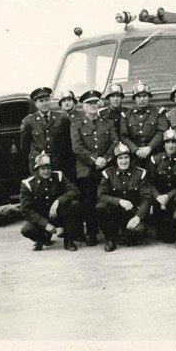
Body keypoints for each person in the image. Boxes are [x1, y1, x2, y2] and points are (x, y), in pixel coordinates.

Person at [70, 89, 119, 246]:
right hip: (87, 170)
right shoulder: (76, 125)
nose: (93, 106)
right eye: (89, 103)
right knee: (88, 203)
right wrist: (94, 160)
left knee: (106, 202)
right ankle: (91, 233)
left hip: (106, 168)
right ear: (83, 106)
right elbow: (77, 148)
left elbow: (115, 143)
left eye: (95, 103)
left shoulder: (108, 123)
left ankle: (110, 234)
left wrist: (105, 159)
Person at [95, 143, 153, 252]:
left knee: (140, 231)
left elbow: (146, 199)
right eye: (120, 158)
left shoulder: (140, 173)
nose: (124, 161)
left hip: (132, 213)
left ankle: (127, 235)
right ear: (116, 160)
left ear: (130, 159)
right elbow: (101, 196)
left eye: (126, 157)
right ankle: (110, 239)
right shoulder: (108, 174)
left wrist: (138, 217)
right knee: (100, 207)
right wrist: (119, 201)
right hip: (114, 214)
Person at [19, 153, 81, 252]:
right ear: (37, 169)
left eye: (48, 168)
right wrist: (45, 224)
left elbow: (74, 191)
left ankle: (68, 239)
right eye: (43, 169)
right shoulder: (28, 184)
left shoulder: (59, 176)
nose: (46, 171)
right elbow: (26, 210)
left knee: (74, 205)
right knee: (26, 230)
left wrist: (58, 201)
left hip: (58, 214)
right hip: (41, 218)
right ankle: (42, 239)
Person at [147, 128, 176, 243]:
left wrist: (168, 195)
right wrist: (158, 196)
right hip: (159, 198)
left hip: (175, 196)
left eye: (173, 142)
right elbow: (150, 182)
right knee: (164, 237)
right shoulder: (155, 159)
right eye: (167, 142)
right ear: (163, 144)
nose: (170, 145)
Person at [21, 87, 71, 174]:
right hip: (39, 165)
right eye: (41, 101)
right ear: (36, 103)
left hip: (58, 163)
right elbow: (25, 147)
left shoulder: (62, 118)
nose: (44, 103)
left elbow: (68, 143)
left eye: (46, 100)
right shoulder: (28, 121)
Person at [121, 81, 168, 166]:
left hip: (154, 154)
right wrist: (135, 149)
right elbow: (123, 136)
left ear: (149, 97)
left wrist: (149, 147)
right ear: (134, 99)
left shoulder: (158, 112)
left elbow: (162, 132)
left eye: (144, 96)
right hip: (134, 155)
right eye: (139, 96)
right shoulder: (127, 115)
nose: (142, 99)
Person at [57, 90, 80, 181]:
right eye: (64, 101)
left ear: (74, 102)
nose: (67, 103)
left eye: (69, 100)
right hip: (64, 159)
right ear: (61, 104)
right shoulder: (57, 119)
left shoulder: (83, 117)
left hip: (80, 159)